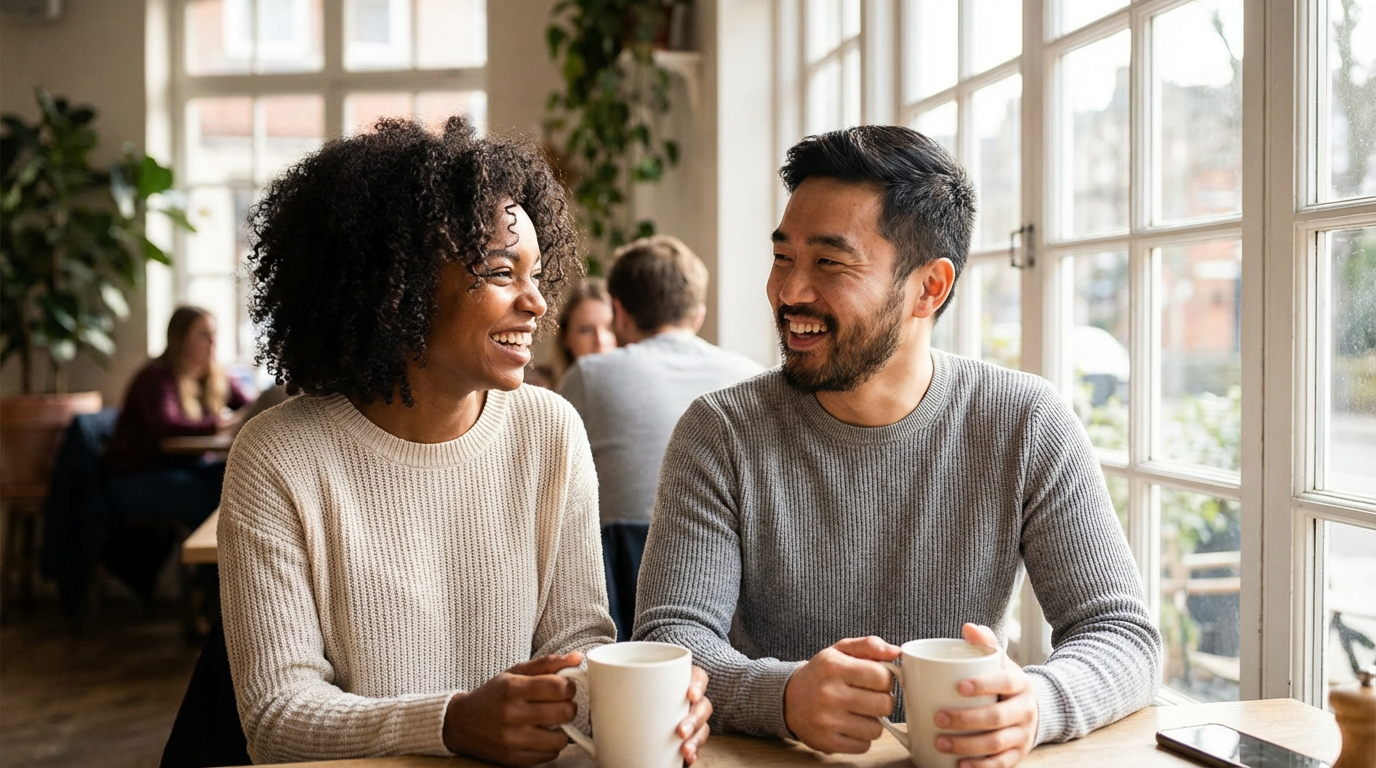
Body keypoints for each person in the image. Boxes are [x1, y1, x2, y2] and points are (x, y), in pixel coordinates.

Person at [633, 126, 1161, 767]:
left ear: (929, 288)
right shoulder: (720, 431)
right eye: (782, 257)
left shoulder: (1025, 422)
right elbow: (672, 641)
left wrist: (1037, 705)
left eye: (830, 262)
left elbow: (1122, 635)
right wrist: (785, 696)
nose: (789, 292)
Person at [219, 116, 711, 766]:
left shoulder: (550, 429)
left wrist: (637, 694)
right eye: (504, 272)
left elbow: (574, 651)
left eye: (537, 275)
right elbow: (277, 718)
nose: (537, 303)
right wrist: (451, 723)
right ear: (403, 289)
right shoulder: (278, 456)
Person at [557, 235, 763, 639]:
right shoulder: (752, 377)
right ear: (698, 315)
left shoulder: (590, 376)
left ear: (619, 312)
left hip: (619, 591)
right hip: (730, 599)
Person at [105, 305, 251, 528]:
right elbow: (167, 428)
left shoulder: (213, 375)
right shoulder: (156, 377)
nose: (212, 342)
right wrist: (218, 426)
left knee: (238, 479)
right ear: (180, 339)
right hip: (139, 475)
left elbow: (252, 406)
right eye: (203, 334)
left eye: (214, 334)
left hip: (185, 467)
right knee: (201, 493)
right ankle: (204, 560)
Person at [555, 278, 616, 378]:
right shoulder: (542, 390)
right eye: (586, 330)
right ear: (565, 337)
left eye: (610, 328)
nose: (600, 340)